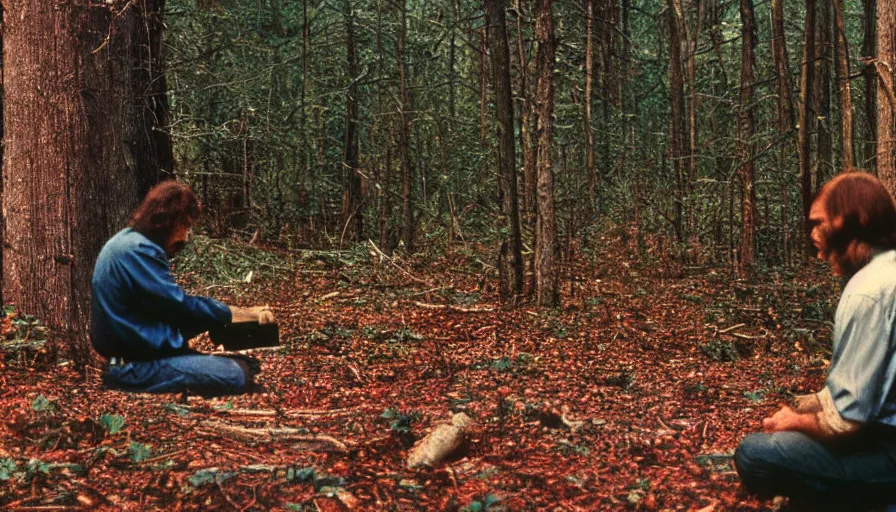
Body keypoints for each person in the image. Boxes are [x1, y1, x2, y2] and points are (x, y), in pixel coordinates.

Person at [734, 171, 896, 506]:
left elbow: (847, 423)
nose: (812, 234)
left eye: (819, 223)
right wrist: (808, 404)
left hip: (888, 453)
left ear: (850, 221)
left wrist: (795, 421)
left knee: (754, 454)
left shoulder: (868, 290)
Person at [91, 181, 275, 396]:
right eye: (185, 225)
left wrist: (232, 317)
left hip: (132, 359)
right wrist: (235, 313)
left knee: (243, 366)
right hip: (132, 368)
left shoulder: (127, 242)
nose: (185, 236)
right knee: (237, 373)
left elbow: (168, 312)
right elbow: (178, 307)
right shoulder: (139, 250)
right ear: (169, 220)